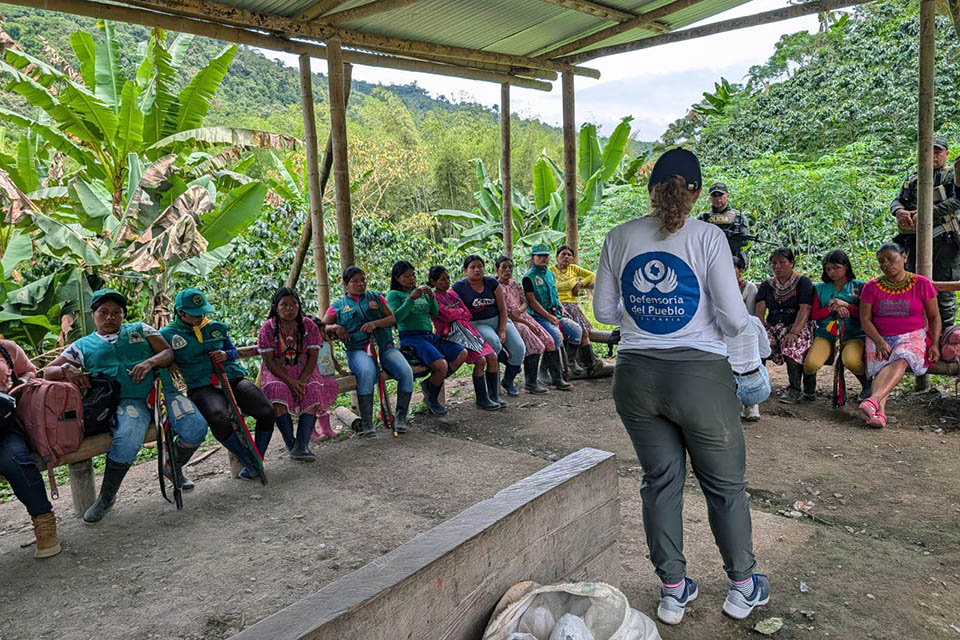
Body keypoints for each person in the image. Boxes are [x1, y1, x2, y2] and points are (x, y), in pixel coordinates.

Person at [594, 148, 769, 626]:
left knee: (661, 482)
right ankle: (742, 586)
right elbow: (735, 320)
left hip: (634, 378)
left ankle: (673, 591)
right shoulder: (709, 237)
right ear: (696, 193)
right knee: (725, 486)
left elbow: (605, 314)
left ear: (651, 190)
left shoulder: (619, 236)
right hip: (699, 379)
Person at [44, 289, 208, 523]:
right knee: (128, 437)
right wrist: (65, 369)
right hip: (126, 401)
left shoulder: (141, 329)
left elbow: (167, 353)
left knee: (195, 427)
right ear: (94, 314)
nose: (110, 317)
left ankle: (173, 466)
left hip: (162, 392)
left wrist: (149, 363)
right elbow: (48, 371)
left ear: (123, 315)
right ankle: (107, 497)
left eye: (116, 312)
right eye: (104, 312)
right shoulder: (82, 345)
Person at [161, 288, 275, 481]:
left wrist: (225, 355)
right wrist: (168, 360)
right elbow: (159, 356)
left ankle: (258, 459)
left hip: (231, 378)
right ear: (181, 312)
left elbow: (232, 351)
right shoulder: (167, 334)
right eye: (196, 314)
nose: (201, 316)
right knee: (217, 416)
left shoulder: (216, 327)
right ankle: (247, 459)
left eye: (203, 312)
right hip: (201, 385)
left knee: (266, 410)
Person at [321, 266, 415, 434]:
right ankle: (367, 423)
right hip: (358, 350)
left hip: (385, 347)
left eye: (363, 280)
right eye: (354, 281)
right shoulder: (337, 306)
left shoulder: (377, 297)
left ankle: (400, 417)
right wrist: (335, 327)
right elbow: (321, 326)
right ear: (345, 285)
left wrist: (375, 324)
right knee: (366, 371)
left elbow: (392, 318)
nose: (360, 284)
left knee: (406, 372)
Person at [859, 242, 940, 428]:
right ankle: (879, 413)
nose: (886, 264)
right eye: (881, 261)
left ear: (904, 257)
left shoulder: (922, 284)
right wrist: (879, 342)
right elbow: (865, 320)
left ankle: (874, 400)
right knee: (881, 365)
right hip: (878, 336)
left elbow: (934, 317)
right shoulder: (871, 287)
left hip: (912, 336)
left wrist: (934, 343)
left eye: (890, 258)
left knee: (903, 357)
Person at [257, 288, 338, 461]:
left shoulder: (308, 324)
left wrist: (301, 380)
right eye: (284, 305)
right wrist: (290, 382)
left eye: (294, 304)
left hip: (305, 370)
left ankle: (301, 445)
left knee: (313, 389)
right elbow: (269, 361)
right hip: (277, 372)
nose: (289, 309)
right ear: (275, 307)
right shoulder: (268, 327)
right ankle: (291, 444)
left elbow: (313, 356)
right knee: (276, 390)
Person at [385, 261, 473, 415]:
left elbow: (435, 312)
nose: (412, 279)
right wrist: (410, 299)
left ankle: (430, 384)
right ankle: (432, 399)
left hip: (428, 335)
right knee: (441, 365)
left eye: (413, 275)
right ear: (397, 278)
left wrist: (431, 297)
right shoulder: (394, 295)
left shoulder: (421, 292)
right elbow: (396, 318)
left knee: (462, 353)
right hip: (411, 337)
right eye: (407, 276)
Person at [891, 135, 960, 327]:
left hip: (944, 241)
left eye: (938, 152)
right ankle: (916, 331)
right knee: (911, 286)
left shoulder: (952, 176)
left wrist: (924, 213)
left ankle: (945, 335)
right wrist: (900, 212)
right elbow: (897, 201)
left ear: (946, 154)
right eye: (929, 152)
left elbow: (956, 202)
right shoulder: (914, 178)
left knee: (943, 292)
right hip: (912, 241)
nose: (933, 156)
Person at [0, 337, 60, 557]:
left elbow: (30, 371)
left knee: (17, 461)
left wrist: (18, 385)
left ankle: (44, 524)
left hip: (4, 425)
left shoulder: (7, 349)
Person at [427, 265, 503, 410]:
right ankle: (482, 398)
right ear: (433, 281)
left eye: (447, 279)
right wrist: (457, 311)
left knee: (492, 356)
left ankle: (494, 396)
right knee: (480, 360)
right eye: (442, 280)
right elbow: (444, 315)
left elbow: (467, 313)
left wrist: (454, 311)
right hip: (451, 334)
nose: (447, 282)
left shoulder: (452, 295)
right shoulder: (433, 298)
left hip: (467, 331)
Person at [452, 255, 525, 397]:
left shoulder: (491, 283)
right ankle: (499, 368)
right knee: (494, 343)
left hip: (499, 319)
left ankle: (508, 381)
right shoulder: (459, 287)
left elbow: (503, 309)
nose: (477, 270)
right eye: (472, 267)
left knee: (519, 348)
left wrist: (503, 329)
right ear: (465, 271)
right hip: (477, 323)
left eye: (480, 266)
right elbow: (446, 299)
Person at [802, 250, 869, 403]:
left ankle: (867, 387)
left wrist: (847, 306)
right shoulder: (820, 288)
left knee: (851, 360)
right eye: (828, 269)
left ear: (846, 266)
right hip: (826, 334)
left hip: (853, 335)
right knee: (811, 363)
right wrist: (832, 308)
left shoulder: (860, 287)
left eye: (835, 267)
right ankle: (809, 391)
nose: (831, 272)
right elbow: (814, 315)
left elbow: (865, 314)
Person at [754, 248, 815, 403]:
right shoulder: (767, 285)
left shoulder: (803, 282)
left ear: (792, 263)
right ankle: (759, 385)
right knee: (757, 344)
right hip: (773, 326)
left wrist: (794, 332)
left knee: (791, 346)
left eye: (782, 262)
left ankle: (794, 388)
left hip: (798, 326)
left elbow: (805, 308)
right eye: (774, 263)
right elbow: (760, 311)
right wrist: (761, 330)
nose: (777, 266)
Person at [523, 244, 581, 390]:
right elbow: (532, 301)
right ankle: (557, 378)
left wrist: (560, 306)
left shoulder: (550, 274)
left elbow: (554, 294)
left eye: (546, 255)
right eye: (540, 256)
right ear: (533, 258)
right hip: (538, 317)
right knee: (555, 337)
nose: (543, 258)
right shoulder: (528, 277)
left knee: (577, 331)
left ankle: (570, 362)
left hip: (556, 313)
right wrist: (549, 317)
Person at [723, 261, 772, 422]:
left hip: (727, 383)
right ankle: (751, 405)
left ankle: (735, 405)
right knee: (759, 366)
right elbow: (766, 352)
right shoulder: (755, 322)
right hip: (756, 387)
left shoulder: (718, 325)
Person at [495, 256, 551, 394]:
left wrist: (521, 310)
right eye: (504, 268)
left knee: (547, 339)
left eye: (510, 267)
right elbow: (508, 314)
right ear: (497, 270)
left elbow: (524, 302)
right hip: (510, 321)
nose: (508, 270)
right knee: (534, 342)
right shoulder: (497, 288)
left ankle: (543, 376)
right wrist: (526, 322)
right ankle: (528, 383)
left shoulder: (514, 284)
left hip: (523, 316)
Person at [549, 245, 604, 375]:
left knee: (584, 331)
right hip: (557, 305)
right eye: (563, 254)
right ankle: (571, 363)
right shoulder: (550, 271)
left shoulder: (574, 269)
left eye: (569, 255)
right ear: (557, 257)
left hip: (573, 305)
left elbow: (592, 275)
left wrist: (579, 283)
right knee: (567, 333)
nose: (566, 257)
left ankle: (591, 363)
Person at [699, 182, 751, 266]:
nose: (718, 199)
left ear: (727, 196)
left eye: (721, 195)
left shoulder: (737, 216)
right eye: (714, 196)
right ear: (710, 198)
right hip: (708, 260)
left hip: (732, 260)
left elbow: (744, 241)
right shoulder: (704, 218)